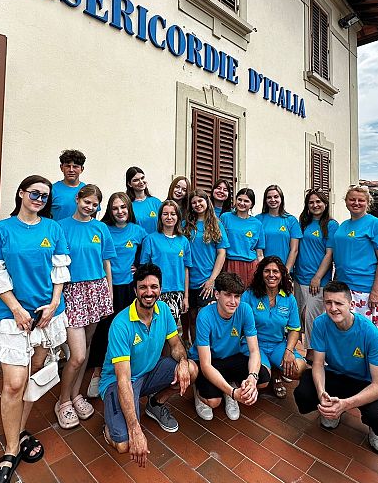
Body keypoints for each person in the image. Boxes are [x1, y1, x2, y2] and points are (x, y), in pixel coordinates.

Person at [0, 175, 71, 483]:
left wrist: (54, 304)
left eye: (45, 196)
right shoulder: (2, 230)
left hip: (45, 317)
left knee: (32, 377)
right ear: (21, 193)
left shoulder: (53, 229)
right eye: (35, 193)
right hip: (12, 316)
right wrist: (17, 309)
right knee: (14, 383)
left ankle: (18, 434)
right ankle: (9, 452)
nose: (39, 199)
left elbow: (60, 271)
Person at [100, 263, 199, 467]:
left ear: (160, 289)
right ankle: (111, 426)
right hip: (119, 382)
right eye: (143, 287)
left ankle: (155, 404)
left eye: (154, 287)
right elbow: (123, 380)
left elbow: (176, 345)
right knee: (124, 445)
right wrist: (135, 429)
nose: (149, 292)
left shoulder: (163, 310)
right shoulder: (121, 324)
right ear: (135, 290)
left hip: (149, 372)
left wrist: (182, 361)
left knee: (191, 369)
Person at [294, 281, 378, 454]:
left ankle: (374, 429)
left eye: (339, 303)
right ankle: (331, 407)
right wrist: (322, 394)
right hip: (336, 375)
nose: (333, 308)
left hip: (363, 382)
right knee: (304, 390)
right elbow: (318, 364)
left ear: (351, 304)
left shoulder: (370, 333)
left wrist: (345, 405)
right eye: (328, 302)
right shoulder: (320, 323)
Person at [56, 185, 116, 429]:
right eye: (86, 202)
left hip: (96, 290)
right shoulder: (60, 227)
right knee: (77, 354)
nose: (90, 207)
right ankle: (62, 401)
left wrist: (109, 292)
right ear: (77, 198)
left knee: (88, 345)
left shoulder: (100, 228)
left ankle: (75, 394)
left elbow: (106, 262)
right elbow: (55, 264)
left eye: (94, 204)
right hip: (72, 291)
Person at [86, 192, 148, 398]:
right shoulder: (103, 229)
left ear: (129, 209)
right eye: (115, 208)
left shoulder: (138, 231)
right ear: (109, 211)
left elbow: (148, 253)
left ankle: (125, 371)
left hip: (129, 288)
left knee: (127, 330)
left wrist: (138, 267)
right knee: (103, 330)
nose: (120, 211)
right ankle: (98, 373)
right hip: (106, 286)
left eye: (123, 207)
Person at [189, 272, 270, 421]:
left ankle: (229, 384)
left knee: (263, 378)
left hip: (231, 357)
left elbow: (254, 351)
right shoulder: (205, 316)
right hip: (208, 361)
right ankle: (201, 391)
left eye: (237, 296)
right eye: (228, 295)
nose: (233, 301)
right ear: (217, 294)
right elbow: (206, 365)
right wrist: (233, 393)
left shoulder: (245, 310)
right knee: (214, 402)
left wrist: (252, 377)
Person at [330, 185, 378, 367]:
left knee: (367, 336)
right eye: (352, 199)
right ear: (346, 202)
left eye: (361, 200)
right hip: (344, 289)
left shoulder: (376, 225)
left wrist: (376, 291)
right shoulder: (343, 225)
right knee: (346, 333)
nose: (356, 203)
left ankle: (370, 373)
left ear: (368, 202)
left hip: (365, 291)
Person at [242, 256, 307, 398]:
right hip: (254, 345)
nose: (271, 275)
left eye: (275, 271)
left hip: (278, 344)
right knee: (262, 380)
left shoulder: (289, 298)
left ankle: (277, 373)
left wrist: (289, 351)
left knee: (299, 368)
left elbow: (294, 329)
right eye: (267, 271)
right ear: (261, 273)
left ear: (282, 274)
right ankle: (271, 374)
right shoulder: (249, 295)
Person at [293, 189, 339, 354]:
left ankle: (314, 355)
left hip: (317, 281)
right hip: (299, 278)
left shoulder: (331, 225)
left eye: (318, 201)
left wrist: (317, 277)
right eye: (311, 202)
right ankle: (306, 354)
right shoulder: (303, 223)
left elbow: (329, 254)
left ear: (325, 204)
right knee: (300, 317)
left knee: (311, 318)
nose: (315, 205)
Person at [182, 189, 229, 344]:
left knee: (206, 318)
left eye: (200, 201)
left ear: (207, 202)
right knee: (192, 317)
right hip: (188, 280)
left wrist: (212, 280)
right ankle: (195, 350)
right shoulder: (185, 225)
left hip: (207, 281)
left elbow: (221, 253)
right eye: (194, 202)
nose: (197, 204)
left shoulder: (216, 224)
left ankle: (209, 350)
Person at [139, 200, 192, 322]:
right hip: (155, 291)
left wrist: (186, 297)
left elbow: (186, 270)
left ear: (178, 217)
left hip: (177, 292)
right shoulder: (150, 239)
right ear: (160, 217)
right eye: (165, 214)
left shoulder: (184, 241)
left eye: (173, 214)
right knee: (154, 326)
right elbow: (144, 269)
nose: (169, 217)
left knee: (171, 328)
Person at [220, 188, 265, 288]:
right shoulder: (225, 217)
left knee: (248, 294)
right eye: (239, 199)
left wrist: (262, 271)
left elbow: (260, 253)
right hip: (229, 263)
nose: (242, 203)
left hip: (250, 266)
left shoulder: (257, 224)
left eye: (246, 201)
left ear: (252, 204)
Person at [257, 185, 302, 272]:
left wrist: (286, 271)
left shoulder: (291, 220)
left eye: (276, 196)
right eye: (269, 197)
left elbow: (294, 249)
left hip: (285, 269)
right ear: (265, 200)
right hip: (264, 271)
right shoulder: (258, 219)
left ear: (281, 198)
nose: (273, 200)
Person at [50, 149, 88, 220]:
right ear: (61, 168)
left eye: (75, 166)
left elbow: (92, 218)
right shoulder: (51, 190)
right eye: (67, 166)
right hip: (57, 227)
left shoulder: (88, 191)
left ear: (82, 169)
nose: (71, 170)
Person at [126, 166, 163, 234]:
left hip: (155, 240)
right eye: (136, 180)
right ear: (129, 184)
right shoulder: (127, 205)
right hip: (137, 240)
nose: (141, 182)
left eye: (142, 178)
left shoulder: (156, 202)